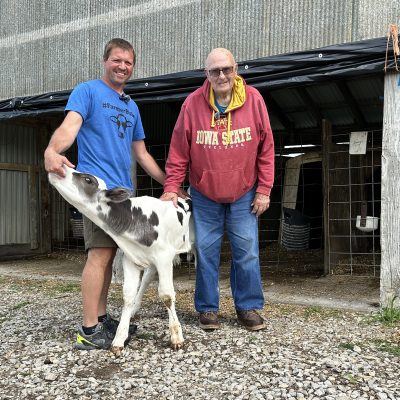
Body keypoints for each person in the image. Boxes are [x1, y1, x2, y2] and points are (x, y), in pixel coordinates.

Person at [44, 38, 168, 350]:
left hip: (122, 196)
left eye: (128, 62)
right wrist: (52, 149)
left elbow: (141, 154)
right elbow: (70, 126)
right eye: (117, 60)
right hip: (96, 192)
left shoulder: (132, 106)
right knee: (98, 255)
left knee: (112, 255)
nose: (122, 66)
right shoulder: (87, 91)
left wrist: (170, 183)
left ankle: (100, 318)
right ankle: (88, 329)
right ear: (105, 60)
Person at [161, 48, 275, 331]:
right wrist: (172, 186)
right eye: (215, 71)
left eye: (226, 69)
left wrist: (264, 189)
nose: (221, 75)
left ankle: (247, 307)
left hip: (244, 193)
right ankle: (208, 309)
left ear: (236, 70)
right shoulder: (192, 104)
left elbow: (266, 148)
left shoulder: (254, 100)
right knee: (206, 251)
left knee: (246, 251)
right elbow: (178, 151)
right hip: (205, 194)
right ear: (206, 74)